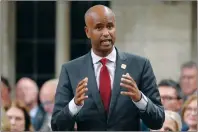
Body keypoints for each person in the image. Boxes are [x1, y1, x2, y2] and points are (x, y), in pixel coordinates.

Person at [51, 5, 165, 131]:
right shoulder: (70, 70)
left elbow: (158, 121)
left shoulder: (140, 65)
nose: (106, 33)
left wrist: (140, 99)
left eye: (110, 26)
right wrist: (74, 105)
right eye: (99, 27)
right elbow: (57, 126)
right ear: (87, 32)